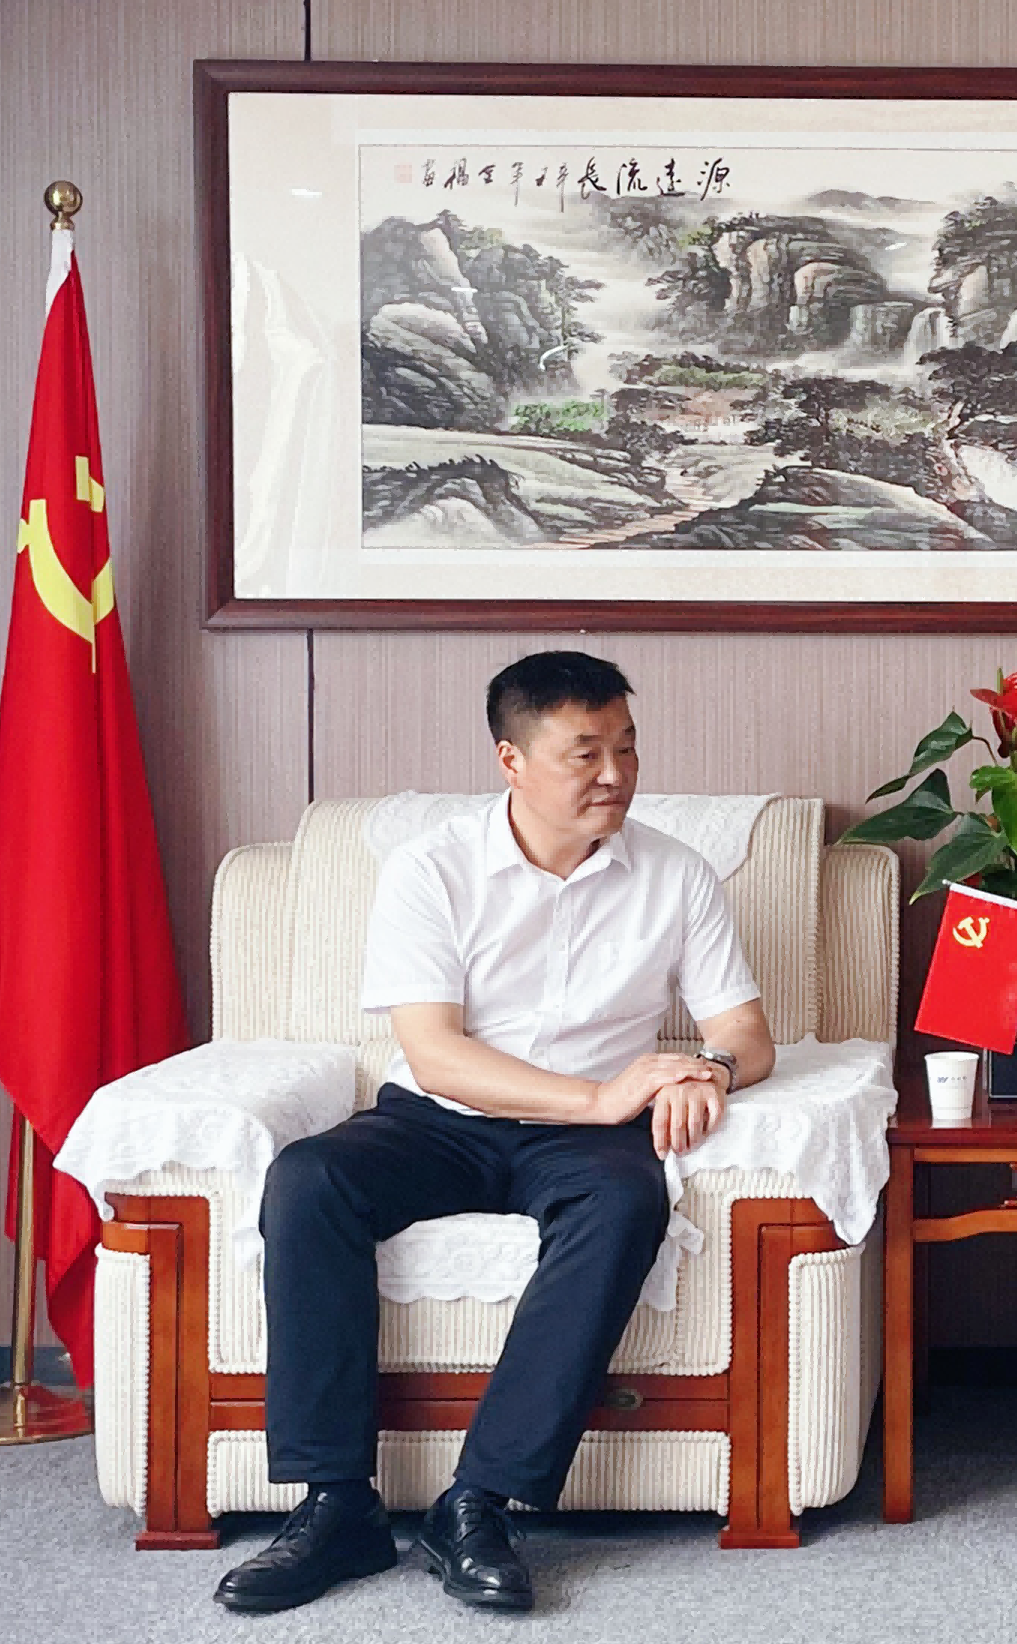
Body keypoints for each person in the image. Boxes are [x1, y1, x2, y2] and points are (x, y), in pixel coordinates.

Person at [214, 651, 775, 1615]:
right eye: (585, 754)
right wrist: (597, 1097)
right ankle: (336, 1504)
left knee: (626, 1200)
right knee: (309, 1178)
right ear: (511, 760)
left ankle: (476, 1504)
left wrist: (710, 1070)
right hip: (443, 1120)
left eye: (627, 748)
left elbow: (746, 1033)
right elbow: (435, 1056)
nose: (616, 775)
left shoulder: (677, 874)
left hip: (586, 1143)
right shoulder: (431, 868)